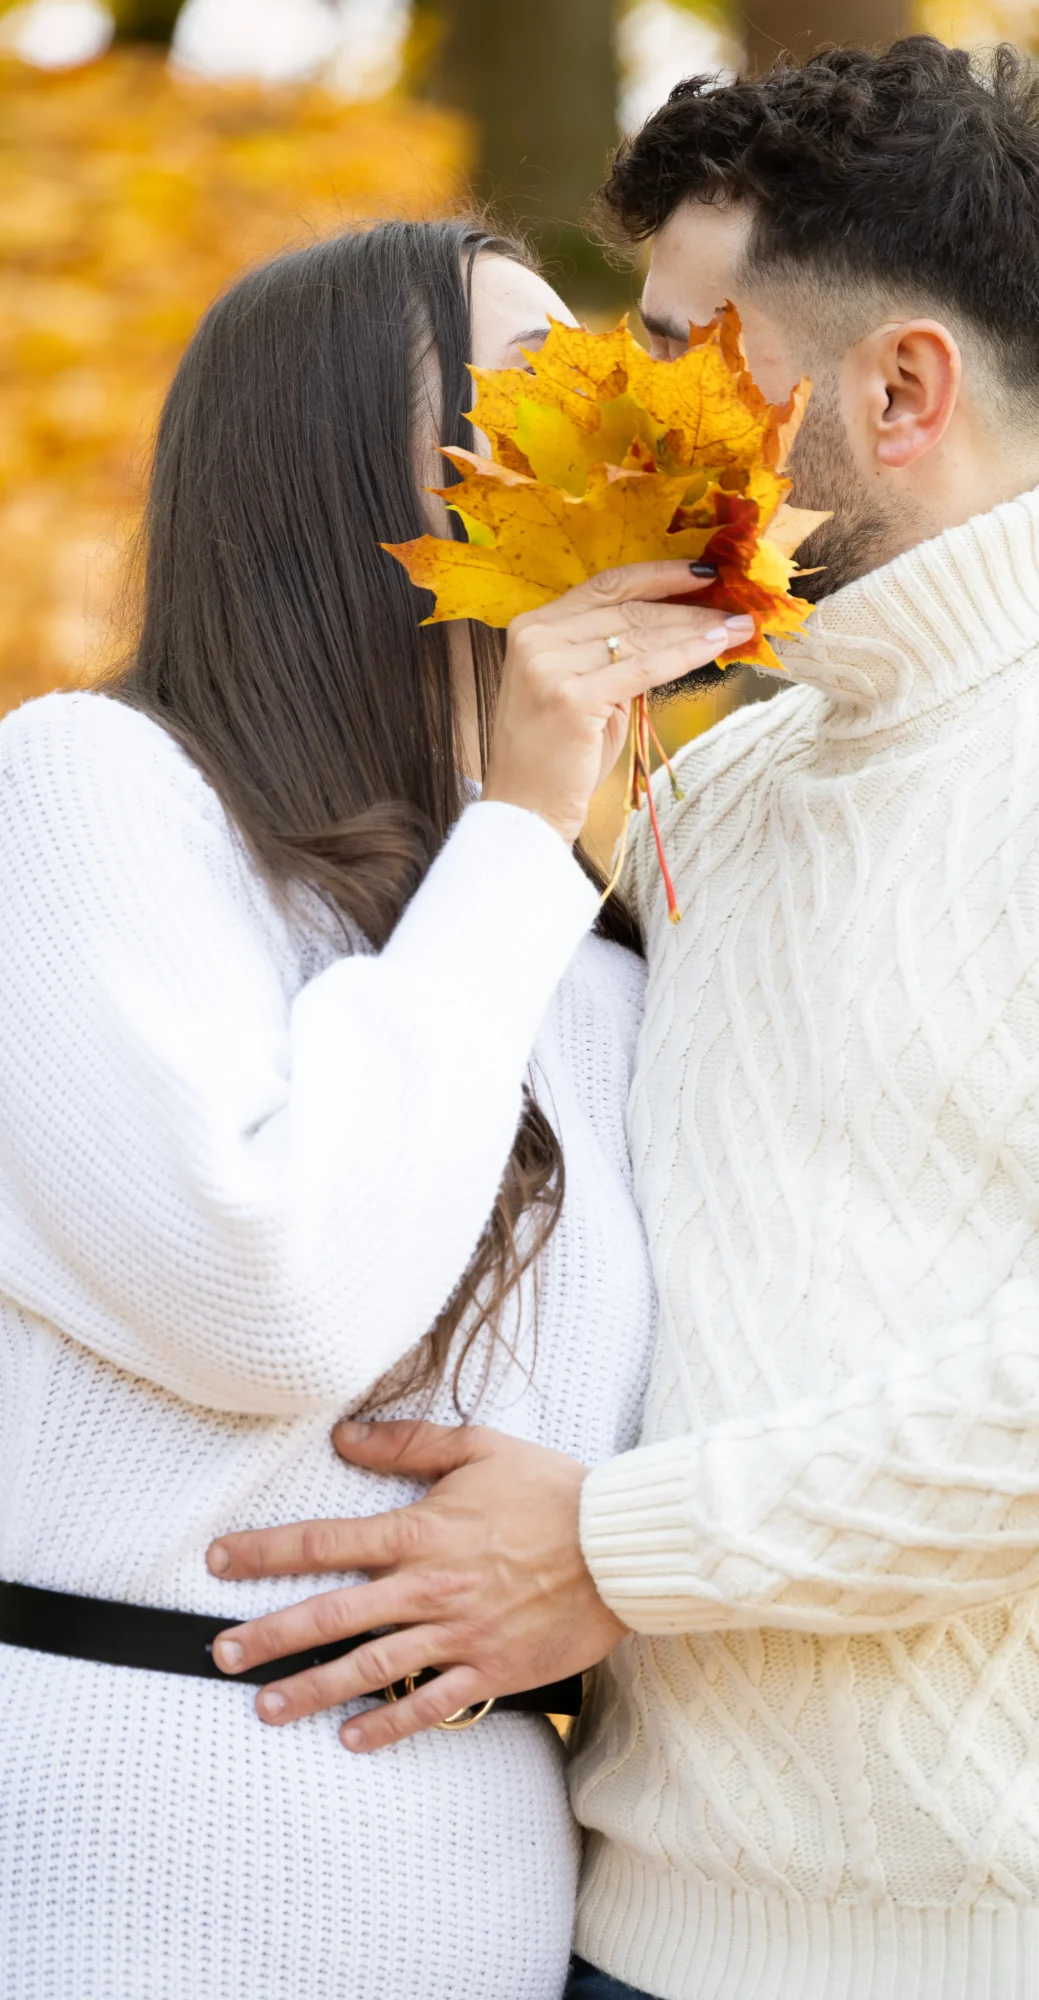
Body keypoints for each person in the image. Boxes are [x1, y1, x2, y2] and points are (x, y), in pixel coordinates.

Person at [204, 41, 1039, 2000]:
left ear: (899, 391)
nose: (614, 408)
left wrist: (616, 1548)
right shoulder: (707, 790)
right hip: (638, 1941)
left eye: (676, 352)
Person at [0, 215, 757, 2000]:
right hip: (139, 1867)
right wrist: (522, 816)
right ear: (341, 469)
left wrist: (604, 1562)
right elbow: (277, 1297)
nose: (598, 435)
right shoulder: (88, 790)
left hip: (499, 1897)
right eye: (523, 394)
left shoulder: (585, 960)